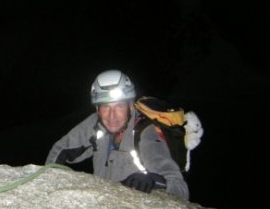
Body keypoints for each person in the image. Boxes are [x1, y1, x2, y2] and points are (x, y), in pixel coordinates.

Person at [45, 69, 189, 200]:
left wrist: (154, 180)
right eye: (105, 107)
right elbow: (60, 149)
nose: (112, 115)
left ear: (130, 106)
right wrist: (47, 184)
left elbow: (180, 188)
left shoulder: (146, 134)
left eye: (119, 106)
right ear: (97, 109)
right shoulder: (96, 124)